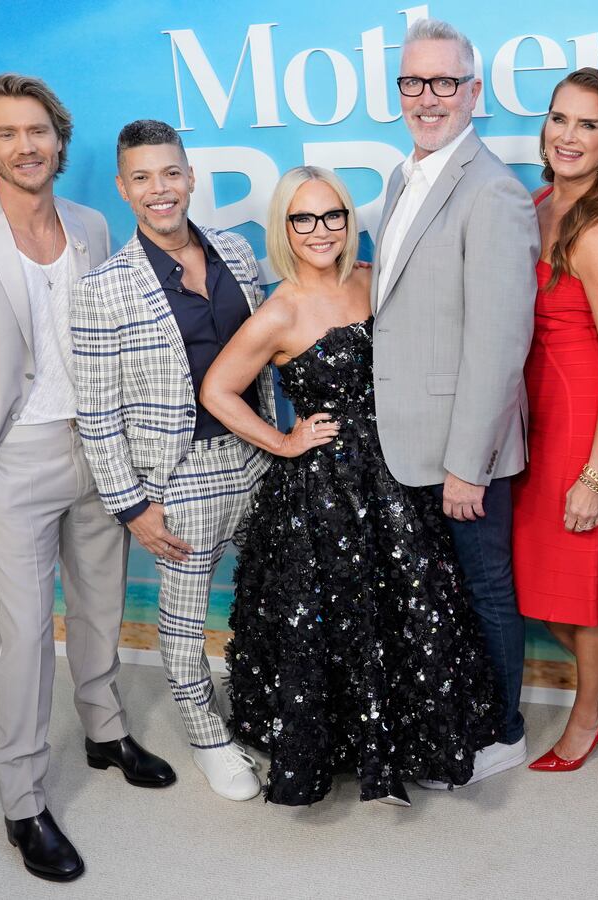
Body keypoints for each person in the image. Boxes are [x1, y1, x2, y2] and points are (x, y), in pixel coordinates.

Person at [0, 75, 172, 883]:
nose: (27, 146)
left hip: (96, 449)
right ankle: (22, 801)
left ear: (60, 140)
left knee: (101, 602)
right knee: (23, 637)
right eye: (8, 133)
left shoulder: (91, 225)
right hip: (9, 462)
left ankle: (105, 729)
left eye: (40, 132)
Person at [202, 167, 501, 807]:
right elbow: (217, 390)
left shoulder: (374, 281)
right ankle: (348, 750)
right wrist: (283, 441)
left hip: (399, 474)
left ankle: (418, 743)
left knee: (413, 608)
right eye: (302, 219)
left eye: (332, 215)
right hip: (325, 494)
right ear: (284, 227)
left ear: (348, 220)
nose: (320, 230)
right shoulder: (279, 310)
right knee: (339, 619)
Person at [72, 119, 276, 805]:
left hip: (256, 461)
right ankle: (206, 734)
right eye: (142, 178)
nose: (159, 190)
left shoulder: (238, 254)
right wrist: (132, 506)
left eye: (170, 173)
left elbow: (270, 359)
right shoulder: (106, 288)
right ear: (123, 188)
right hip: (178, 478)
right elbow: (97, 415)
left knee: (271, 601)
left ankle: (265, 715)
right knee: (184, 626)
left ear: (190, 176)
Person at [370, 18, 541, 788]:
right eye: (415, 82)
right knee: (438, 594)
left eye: (445, 82)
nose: (428, 97)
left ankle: (503, 731)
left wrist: (467, 466)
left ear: (472, 92)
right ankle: (452, 721)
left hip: (461, 450)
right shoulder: (403, 177)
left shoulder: (494, 192)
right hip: (407, 439)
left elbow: (501, 345)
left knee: (485, 590)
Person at [513, 67, 598, 773]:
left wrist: (595, 473)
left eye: (588, 124)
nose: (569, 135)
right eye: (560, 119)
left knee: (586, 589)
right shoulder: (537, 205)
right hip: (541, 421)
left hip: (591, 423)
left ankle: (589, 715)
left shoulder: (597, 233)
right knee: (537, 585)